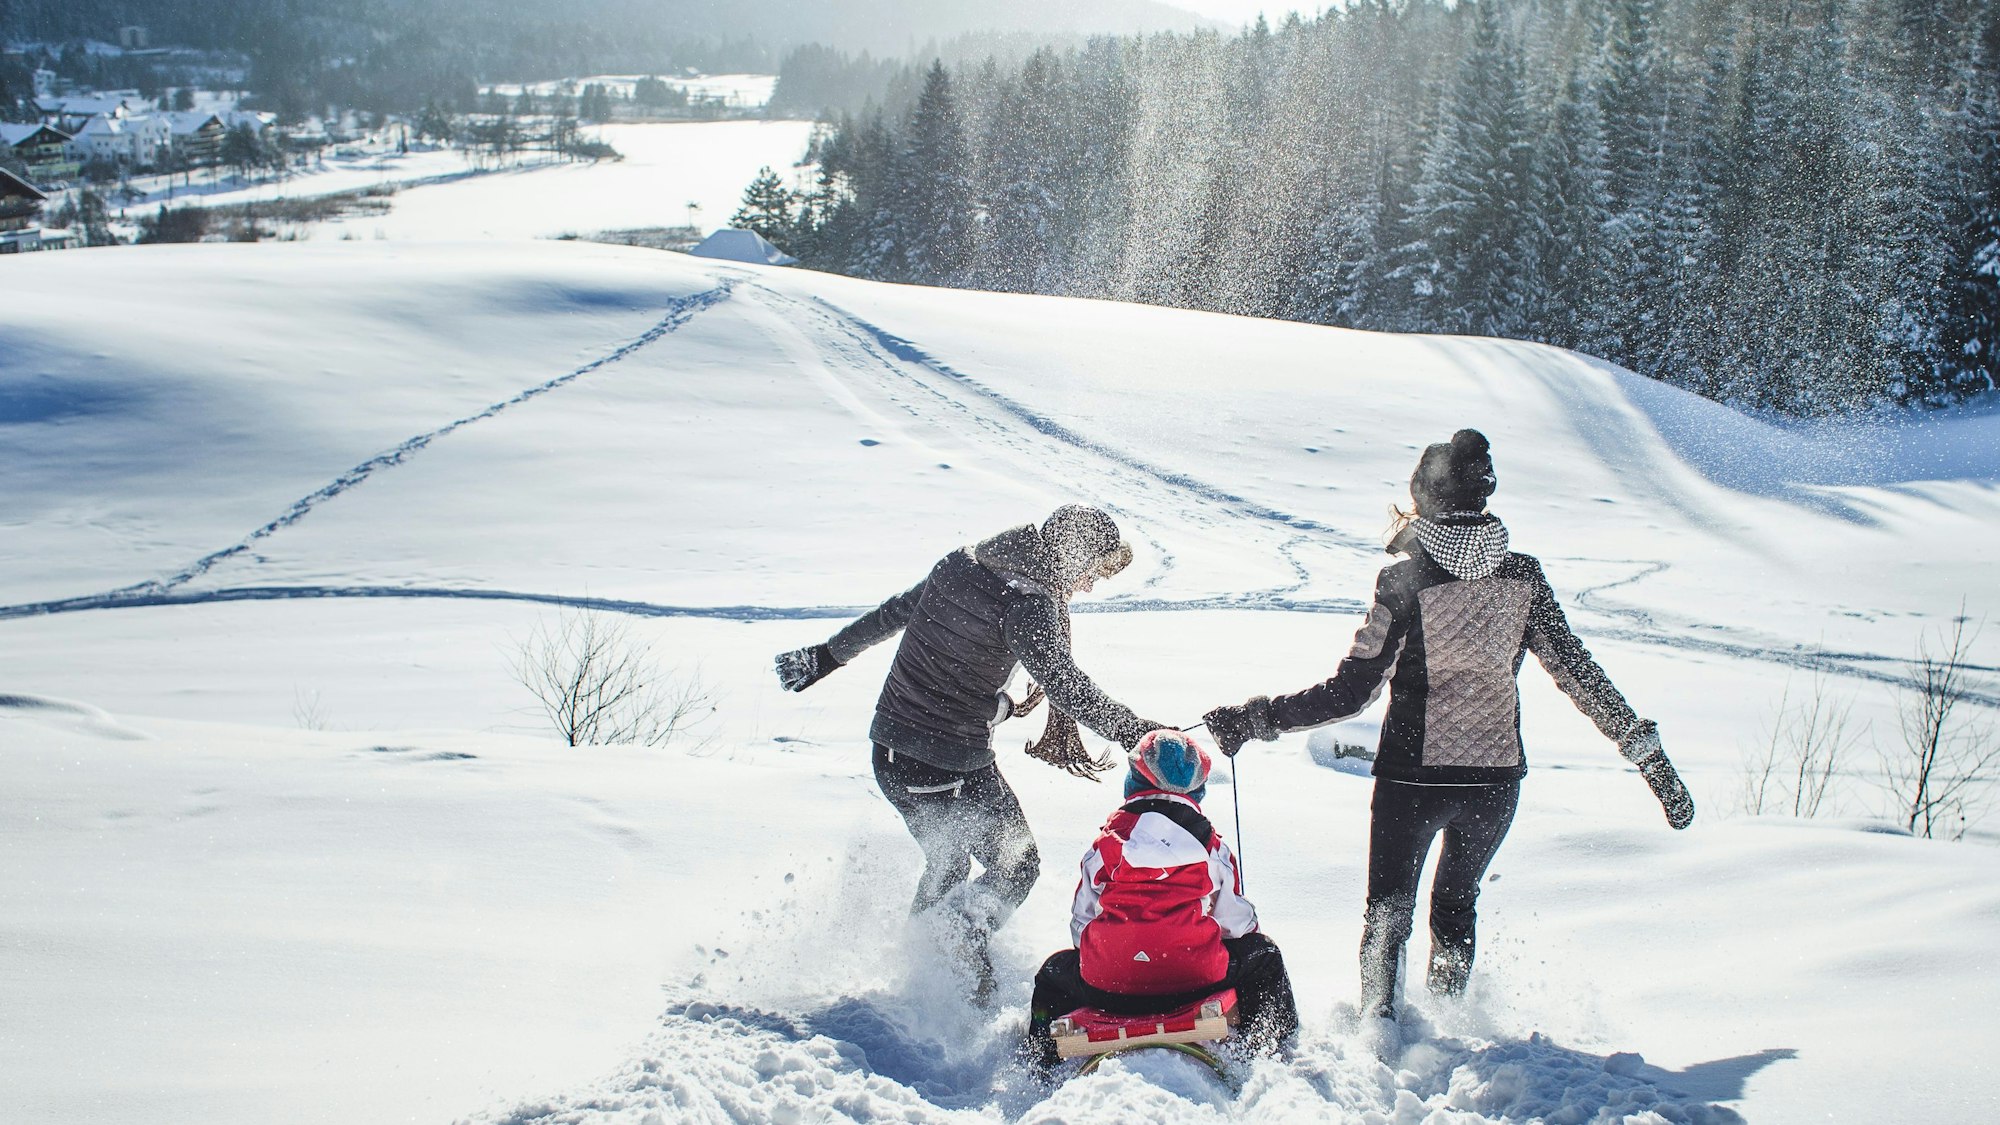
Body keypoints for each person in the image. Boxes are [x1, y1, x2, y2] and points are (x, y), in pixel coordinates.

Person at [1202, 429, 1694, 1033]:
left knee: (1388, 914)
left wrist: (1257, 717)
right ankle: (1447, 1030)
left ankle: (1378, 1035)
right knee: (1456, 909)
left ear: (1426, 500)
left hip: (1412, 782)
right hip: (1494, 787)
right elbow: (1582, 677)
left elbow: (1350, 692)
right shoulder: (1524, 578)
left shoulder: (1404, 583)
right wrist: (1649, 757)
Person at [774, 504, 1165, 1002]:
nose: (1088, 585)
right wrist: (1141, 733)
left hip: (893, 753)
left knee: (949, 862)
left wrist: (827, 656)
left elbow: (897, 612)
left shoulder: (962, 562)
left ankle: (922, 972)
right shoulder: (1030, 606)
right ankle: (955, 951)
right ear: (1072, 557)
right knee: (1014, 867)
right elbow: (1068, 688)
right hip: (944, 762)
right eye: (1091, 571)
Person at [1026, 728, 1298, 1073]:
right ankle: (1268, 1052)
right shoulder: (1212, 849)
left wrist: (1122, 957)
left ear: (1133, 782)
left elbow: (1081, 924)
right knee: (1264, 955)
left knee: (1052, 974)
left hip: (1108, 986)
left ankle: (1039, 1066)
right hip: (1193, 983)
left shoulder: (1105, 846)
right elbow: (1237, 926)